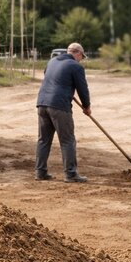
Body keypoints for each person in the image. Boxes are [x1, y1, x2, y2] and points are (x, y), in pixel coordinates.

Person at [35, 42, 91, 182]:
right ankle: (70, 174)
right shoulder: (76, 66)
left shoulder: (52, 61)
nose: (81, 59)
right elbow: (82, 89)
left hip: (42, 103)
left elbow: (51, 78)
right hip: (59, 105)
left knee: (43, 140)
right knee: (67, 140)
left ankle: (40, 172)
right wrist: (87, 106)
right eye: (81, 57)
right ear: (77, 53)